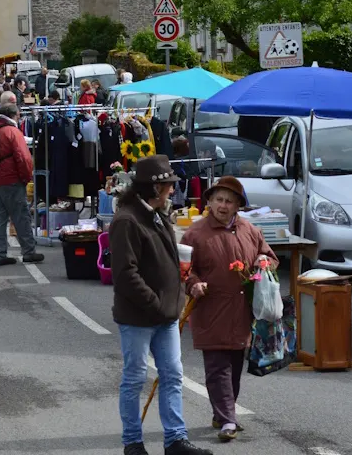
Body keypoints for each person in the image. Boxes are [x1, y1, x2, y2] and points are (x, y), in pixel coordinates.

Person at [109, 155, 212, 455]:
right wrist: (156, 303)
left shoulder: (157, 213)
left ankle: (175, 439)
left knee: (172, 375)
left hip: (165, 314)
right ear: (154, 188)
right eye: (168, 185)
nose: (171, 190)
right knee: (134, 378)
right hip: (140, 316)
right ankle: (133, 443)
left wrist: (176, 293)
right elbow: (125, 275)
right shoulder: (127, 220)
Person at [182, 176, 276, 443]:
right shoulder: (195, 234)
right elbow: (184, 270)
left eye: (229, 201)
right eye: (218, 200)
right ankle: (227, 419)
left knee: (234, 366)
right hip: (210, 309)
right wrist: (194, 283)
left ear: (237, 206)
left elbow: (269, 256)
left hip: (241, 311)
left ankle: (221, 414)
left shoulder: (249, 230)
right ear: (209, 202)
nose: (223, 206)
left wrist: (263, 260)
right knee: (217, 367)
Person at [0, 104, 45, 265]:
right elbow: (24, 158)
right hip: (11, 179)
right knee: (21, 216)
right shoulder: (12, 132)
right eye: (19, 115)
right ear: (13, 115)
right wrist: (26, 178)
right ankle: (28, 251)